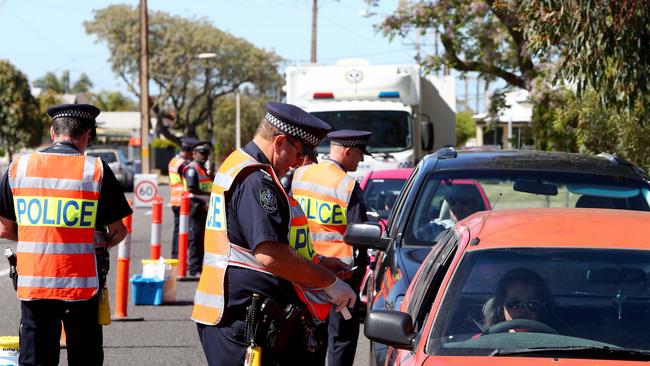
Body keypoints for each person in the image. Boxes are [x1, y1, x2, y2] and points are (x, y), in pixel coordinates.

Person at [192, 102, 357, 366]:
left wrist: (320, 263)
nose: (298, 164)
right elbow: (270, 255)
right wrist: (328, 282)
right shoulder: (255, 180)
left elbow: (252, 244)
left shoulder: (241, 164)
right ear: (280, 142)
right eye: (300, 154)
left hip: (238, 315)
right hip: (241, 320)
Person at [0, 104, 132, 366]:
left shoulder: (19, 167)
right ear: (86, 136)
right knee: (85, 358)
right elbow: (118, 230)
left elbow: (4, 228)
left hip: (34, 282)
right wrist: (95, 242)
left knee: (36, 359)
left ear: (52, 132)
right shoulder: (96, 170)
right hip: (81, 286)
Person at [291, 129, 372, 366]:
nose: (361, 160)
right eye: (359, 154)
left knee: (309, 334)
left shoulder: (300, 175)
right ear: (347, 151)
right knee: (341, 339)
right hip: (340, 275)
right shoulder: (346, 185)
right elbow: (360, 234)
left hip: (302, 268)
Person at [482, 268, 554, 331]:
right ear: (501, 308)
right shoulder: (482, 342)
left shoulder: (558, 343)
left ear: (541, 309)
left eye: (532, 304)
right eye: (514, 303)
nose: (523, 310)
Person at [181, 141, 213, 277]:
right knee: (195, 237)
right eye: (201, 154)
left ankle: (198, 266)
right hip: (195, 205)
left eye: (205, 154)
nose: (203, 157)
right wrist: (210, 194)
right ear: (194, 154)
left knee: (201, 238)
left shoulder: (202, 169)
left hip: (204, 207)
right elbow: (192, 188)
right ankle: (193, 269)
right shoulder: (192, 169)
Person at [168, 136, 199, 258]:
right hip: (183, 202)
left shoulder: (173, 161)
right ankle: (178, 257)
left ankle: (176, 256)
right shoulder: (185, 165)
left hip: (175, 201)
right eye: (193, 153)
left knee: (178, 231)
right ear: (189, 151)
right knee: (184, 231)